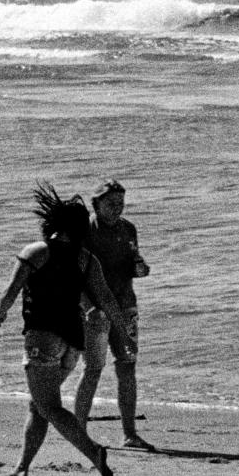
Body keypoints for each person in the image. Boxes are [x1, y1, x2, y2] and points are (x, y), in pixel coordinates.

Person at [0, 182, 131, 476]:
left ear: (51, 223)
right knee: (38, 404)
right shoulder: (85, 259)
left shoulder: (36, 251)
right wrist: (126, 334)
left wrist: (0, 312)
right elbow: (106, 299)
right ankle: (22, 468)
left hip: (43, 340)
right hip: (72, 344)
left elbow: (11, 290)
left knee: (50, 407)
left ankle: (94, 452)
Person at [72, 178, 154, 450]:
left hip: (126, 305)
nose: (117, 208)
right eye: (111, 203)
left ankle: (129, 434)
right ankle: (79, 430)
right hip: (95, 310)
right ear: (96, 204)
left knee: (128, 366)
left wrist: (141, 268)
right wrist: (87, 306)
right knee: (93, 368)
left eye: (121, 203)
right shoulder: (85, 231)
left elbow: (133, 263)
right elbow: (74, 275)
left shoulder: (129, 229)